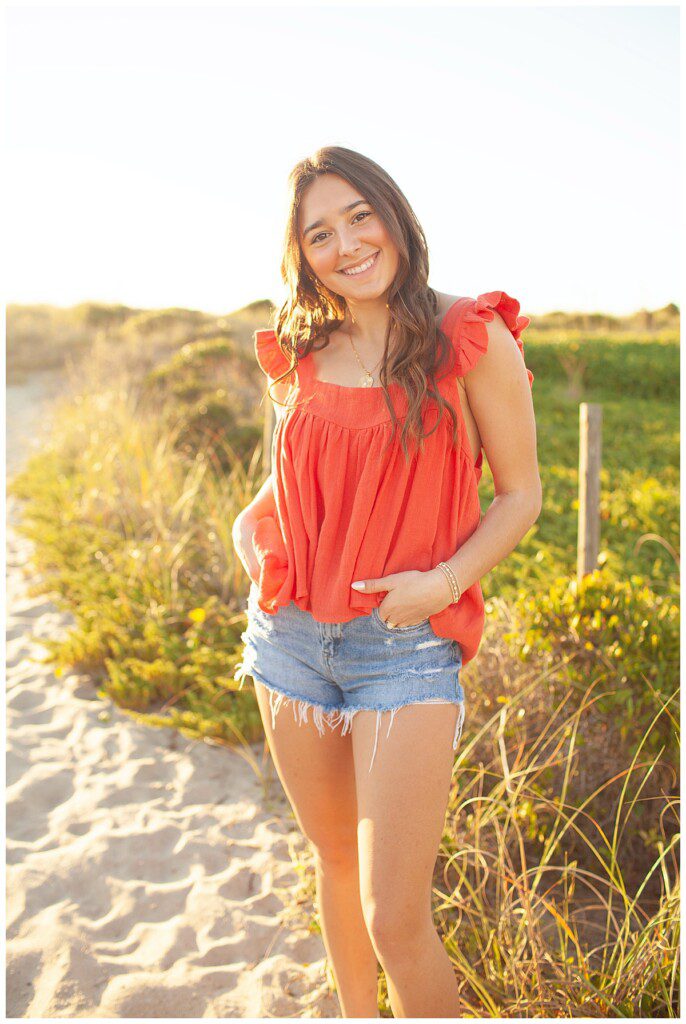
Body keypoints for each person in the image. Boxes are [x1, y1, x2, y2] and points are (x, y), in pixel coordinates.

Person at [232, 145, 541, 1018]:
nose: (347, 244)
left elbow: (522, 495)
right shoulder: (301, 344)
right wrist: (245, 523)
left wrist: (440, 586)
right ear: (303, 254)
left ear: (394, 214)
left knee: (396, 918)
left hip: (403, 647)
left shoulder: (471, 336)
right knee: (332, 867)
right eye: (320, 233)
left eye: (360, 215)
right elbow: (300, 471)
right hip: (290, 637)